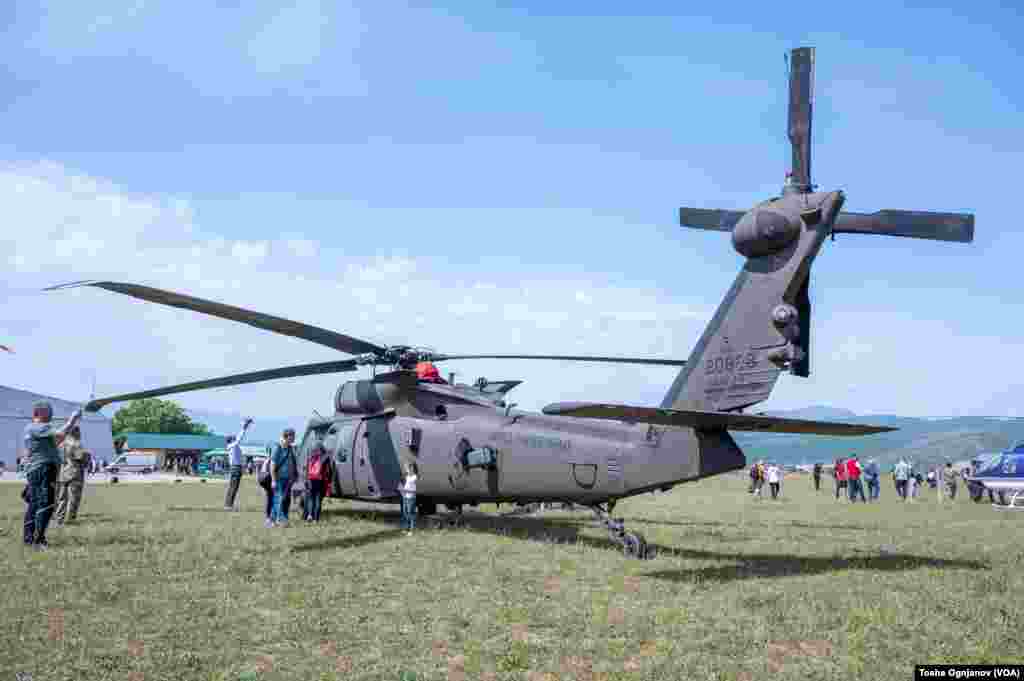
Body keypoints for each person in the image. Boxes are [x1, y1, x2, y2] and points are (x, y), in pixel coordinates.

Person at [23, 402, 83, 548]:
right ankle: (38, 540)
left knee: (35, 504)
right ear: (41, 412)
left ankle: (29, 538)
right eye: (50, 412)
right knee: (46, 503)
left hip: (38, 469)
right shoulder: (37, 427)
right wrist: (73, 419)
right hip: (43, 468)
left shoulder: (36, 429)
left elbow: (57, 440)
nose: (52, 415)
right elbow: (61, 434)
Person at [55, 426, 89, 525]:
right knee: (74, 498)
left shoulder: (61, 445)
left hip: (62, 473)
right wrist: (86, 457)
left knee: (61, 498)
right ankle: (71, 518)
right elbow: (80, 458)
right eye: (79, 432)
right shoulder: (77, 444)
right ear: (76, 433)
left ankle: (59, 518)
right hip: (75, 473)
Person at [223, 418, 254, 511]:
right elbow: (240, 437)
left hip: (236, 468)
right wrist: (244, 427)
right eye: (233, 438)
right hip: (236, 468)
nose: (235, 438)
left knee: (233, 486)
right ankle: (228, 505)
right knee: (233, 487)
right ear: (231, 440)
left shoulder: (232, 447)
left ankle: (228, 504)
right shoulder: (233, 446)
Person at [270, 428, 297, 527]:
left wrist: (293, 475)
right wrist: (273, 480)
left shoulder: (290, 448)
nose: (294, 438)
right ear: (288, 436)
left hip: (287, 478)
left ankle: (272, 520)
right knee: (279, 498)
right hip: (278, 478)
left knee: (281, 499)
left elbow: (292, 463)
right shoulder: (278, 448)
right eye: (293, 436)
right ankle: (282, 519)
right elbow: (272, 465)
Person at [304, 444, 330, 523]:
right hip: (320, 481)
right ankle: (315, 519)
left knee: (311, 499)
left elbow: (306, 470)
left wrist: (306, 480)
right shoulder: (325, 458)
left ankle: (309, 515)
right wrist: (329, 481)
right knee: (318, 499)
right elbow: (328, 472)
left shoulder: (311, 457)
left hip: (310, 480)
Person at [400, 462, 418, 535]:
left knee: (411, 513)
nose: (409, 469)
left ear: (413, 469)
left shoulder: (414, 476)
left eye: (411, 468)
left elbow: (411, 481)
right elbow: (402, 481)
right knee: (405, 512)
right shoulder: (407, 476)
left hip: (411, 497)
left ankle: (411, 530)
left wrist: (407, 472)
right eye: (409, 467)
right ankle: (406, 528)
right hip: (405, 497)